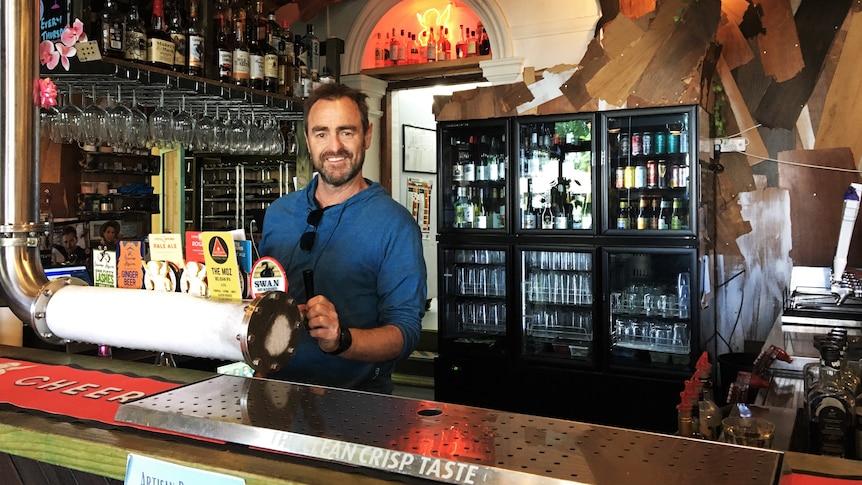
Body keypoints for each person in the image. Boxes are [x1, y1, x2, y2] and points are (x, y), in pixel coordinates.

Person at [259, 83, 427, 394]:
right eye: (321, 133)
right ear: (308, 140)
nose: (334, 146)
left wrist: (342, 340)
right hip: (274, 399)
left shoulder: (395, 224)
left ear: (367, 135)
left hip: (357, 407)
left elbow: (405, 332)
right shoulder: (279, 213)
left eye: (346, 132)